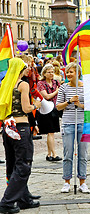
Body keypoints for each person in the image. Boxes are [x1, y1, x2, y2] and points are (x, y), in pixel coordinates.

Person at [0, 58, 42, 213]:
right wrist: (36, 105)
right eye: (25, 67)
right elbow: (26, 108)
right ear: (20, 69)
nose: (27, 69)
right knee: (23, 165)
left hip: (8, 127)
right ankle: (7, 202)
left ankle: (23, 199)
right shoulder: (22, 84)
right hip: (21, 127)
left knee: (12, 165)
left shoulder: (5, 84)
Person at [56, 62, 90, 193]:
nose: (68, 74)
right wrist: (69, 101)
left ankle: (82, 181)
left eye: (71, 72)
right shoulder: (64, 87)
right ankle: (66, 181)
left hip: (82, 122)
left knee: (83, 154)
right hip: (68, 123)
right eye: (67, 72)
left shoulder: (85, 87)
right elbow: (58, 106)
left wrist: (80, 105)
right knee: (68, 154)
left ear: (78, 73)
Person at [37, 64, 62, 162]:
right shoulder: (41, 83)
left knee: (51, 133)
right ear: (44, 73)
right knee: (50, 132)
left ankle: (49, 154)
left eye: (52, 72)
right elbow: (46, 96)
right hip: (45, 110)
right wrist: (56, 91)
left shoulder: (56, 82)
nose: (51, 74)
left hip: (54, 109)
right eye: (49, 72)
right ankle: (54, 154)